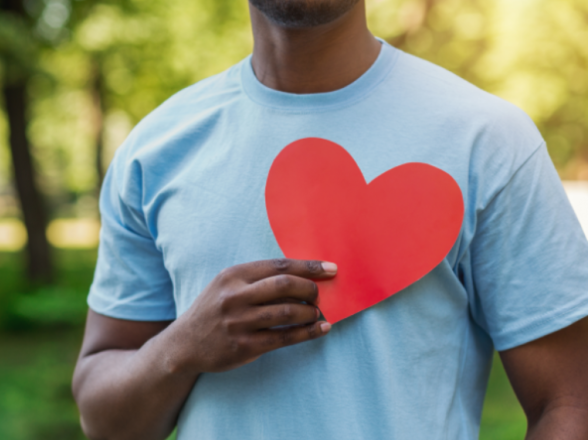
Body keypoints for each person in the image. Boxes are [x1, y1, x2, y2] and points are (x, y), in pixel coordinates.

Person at [72, 1, 588, 439]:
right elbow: (101, 414)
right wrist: (181, 349)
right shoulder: (156, 149)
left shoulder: (488, 140)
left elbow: (570, 402)